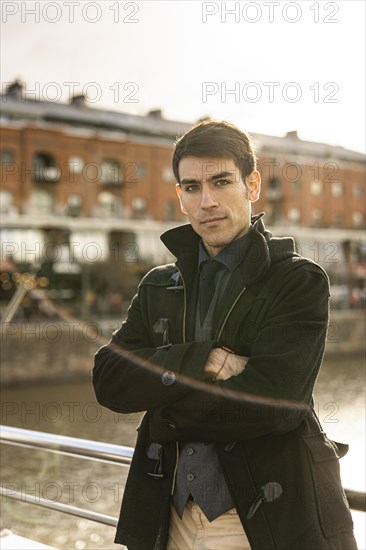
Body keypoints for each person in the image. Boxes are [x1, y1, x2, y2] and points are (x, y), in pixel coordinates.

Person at [93, 120, 357, 550]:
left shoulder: (296, 281)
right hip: (168, 519)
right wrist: (205, 359)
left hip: (264, 521)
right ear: (180, 196)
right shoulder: (159, 285)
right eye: (192, 187)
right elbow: (109, 380)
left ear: (252, 185)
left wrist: (162, 412)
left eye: (221, 182)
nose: (208, 201)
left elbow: (274, 406)